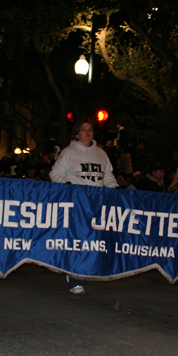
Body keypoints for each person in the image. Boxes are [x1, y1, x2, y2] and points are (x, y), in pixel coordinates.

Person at [50, 119, 119, 293]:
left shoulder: (101, 154)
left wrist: (115, 189)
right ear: (77, 134)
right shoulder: (68, 153)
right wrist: (67, 186)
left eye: (90, 130)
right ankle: (75, 276)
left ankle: (86, 268)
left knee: (93, 240)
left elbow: (108, 176)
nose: (87, 132)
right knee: (78, 239)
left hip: (97, 203)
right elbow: (55, 173)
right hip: (77, 203)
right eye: (83, 129)